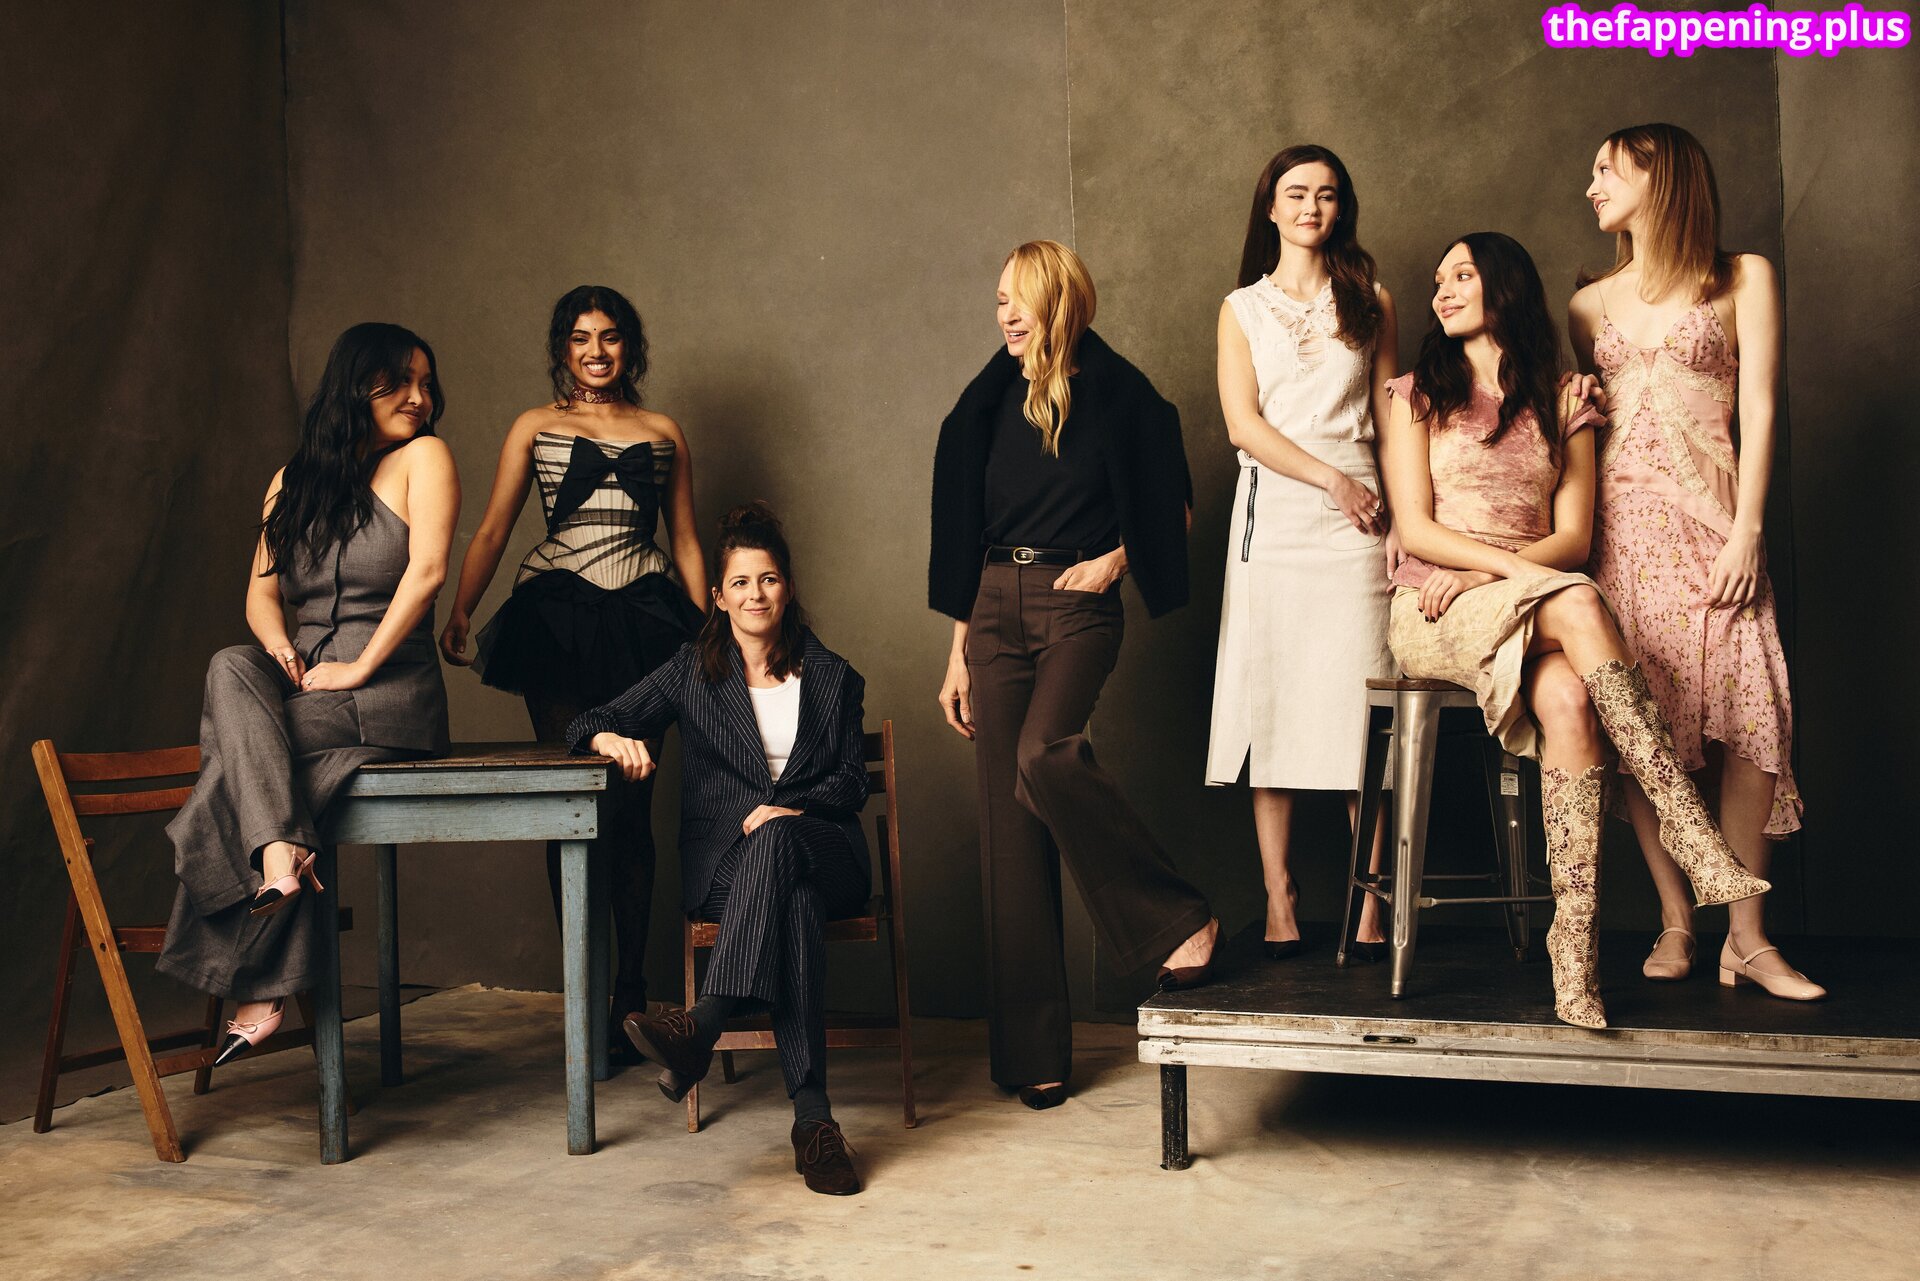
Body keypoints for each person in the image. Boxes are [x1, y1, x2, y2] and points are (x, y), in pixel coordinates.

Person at [1377, 232, 1769, 1028]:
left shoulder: (1566, 399)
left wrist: (1496, 573)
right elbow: (1415, 529)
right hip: (1434, 607)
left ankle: (1575, 954)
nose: (1442, 291)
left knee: (1571, 702)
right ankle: (1689, 826)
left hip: (1525, 596)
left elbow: (1573, 537)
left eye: (1462, 275)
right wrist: (1489, 574)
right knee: (1584, 603)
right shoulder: (1414, 394)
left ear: (1505, 288)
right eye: (1439, 278)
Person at [930, 239, 1219, 1109]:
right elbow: (966, 534)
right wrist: (957, 651)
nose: (1005, 315)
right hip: (992, 605)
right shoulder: (986, 403)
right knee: (1009, 827)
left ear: (1057, 300)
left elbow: (1175, 507)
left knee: (1044, 756)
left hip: (1074, 602)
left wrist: (1115, 561)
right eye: (997, 302)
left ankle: (1179, 918)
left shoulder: (1123, 396)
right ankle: (1034, 1054)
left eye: (1018, 299)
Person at [157, 323, 458, 1063]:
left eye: (426, 383)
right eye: (400, 381)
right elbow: (260, 594)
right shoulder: (290, 481)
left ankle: (261, 958)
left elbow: (427, 573)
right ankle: (282, 849)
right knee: (232, 665)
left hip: (390, 690)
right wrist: (280, 646)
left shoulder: (425, 458)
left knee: (235, 764)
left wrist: (358, 668)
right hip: (308, 686)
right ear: (357, 385)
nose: (419, 397)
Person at [1569, 124, 1821, 1000]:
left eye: (1608, 170)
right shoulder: (1588, 306)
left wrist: (1749, 529)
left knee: (1753, 722)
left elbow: (1761, 406)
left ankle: (1746, 937)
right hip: (1623, 538)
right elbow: (1586, 434)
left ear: (1660, 175)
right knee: (1646, 728)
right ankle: (1676, 915)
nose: (1592, 187)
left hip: (1716, 528)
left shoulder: (1743, 276)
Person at [572, 504, 870, 1196]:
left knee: (781, 841)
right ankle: (814, 1122)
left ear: (787, 587)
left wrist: (791, 808)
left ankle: (701, 1025)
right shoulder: (692, 671)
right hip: (728, 867)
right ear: (718, 596)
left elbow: (853, 782)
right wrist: (608, 739)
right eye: (740, 582)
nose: (755, 594)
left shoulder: (833, 676)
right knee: (793, 903)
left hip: (827, 852)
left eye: (768, 579)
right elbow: (595, 716)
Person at [440, 285, 706, 1049]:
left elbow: (686, 538)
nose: (596, 350)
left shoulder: (663, 430)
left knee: (633, 810)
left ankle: (632, 992)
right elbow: (494, 527)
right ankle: (585, 994)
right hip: (554, 621)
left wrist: (708, 634)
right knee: (572, 804)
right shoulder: (534, 425)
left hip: (649, 623)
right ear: (563, 348)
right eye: (582, 337)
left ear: (630, 346)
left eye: (610, 336)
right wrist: (462, 609)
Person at [1207, 143, 1398, 961]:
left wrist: (1404, 521)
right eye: (1296, 193)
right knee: (1275, 701)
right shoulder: (1241, 308)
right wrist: (1330, 480)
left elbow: (1390, 417)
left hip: (1362, 518)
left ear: (1340, 207)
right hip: (1279, 514)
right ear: (1271, 207)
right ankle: (1278, 895)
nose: (1311, 206)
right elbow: (1242, 424)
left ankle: (1371, 898)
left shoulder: (1373, 299)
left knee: (1362, 708)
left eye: (1326, 193)